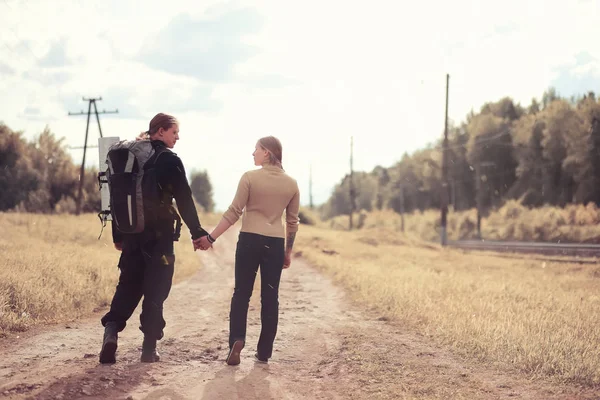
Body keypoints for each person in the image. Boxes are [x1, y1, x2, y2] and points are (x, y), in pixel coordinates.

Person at [99, 113, 209, 364]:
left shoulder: (129, 157)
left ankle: (111, 333)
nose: (177, 137)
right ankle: (149, 350)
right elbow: (184, 198)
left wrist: (119, 235)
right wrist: (197, 232)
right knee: (155, 292)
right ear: (159, 131)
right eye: (174, 132)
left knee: (127, 286)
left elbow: (117, 198)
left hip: (131, 236)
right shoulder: (168, 159)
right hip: (159, 239)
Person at [195, 136, 300, 365]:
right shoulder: (291, 184)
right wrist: (288, 252)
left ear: (267, 153)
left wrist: (211, 237)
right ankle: (264, 352)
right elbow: (292, 222)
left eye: (256, 149)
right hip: (274, 243)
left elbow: (233, 212)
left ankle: (237, 340)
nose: (253, 153)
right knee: (270, 297)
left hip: (249, 240)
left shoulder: (249, 178)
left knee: (241, 293)